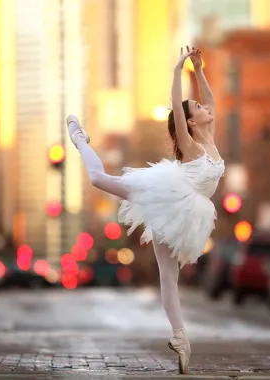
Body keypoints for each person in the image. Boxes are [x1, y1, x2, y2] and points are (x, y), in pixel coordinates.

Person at [66, 46, 224, 375]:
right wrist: (178, 69)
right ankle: (80, 139)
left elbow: (209, 99)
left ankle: (180, 338)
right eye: (197, 107)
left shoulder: (208, 136)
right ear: (192, 121)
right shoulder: (192, 142)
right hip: (165, 192)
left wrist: (199, 69)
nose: (204, 106)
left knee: (170, 277)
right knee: (98, 178)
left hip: (185, 210)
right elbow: (178, 109)